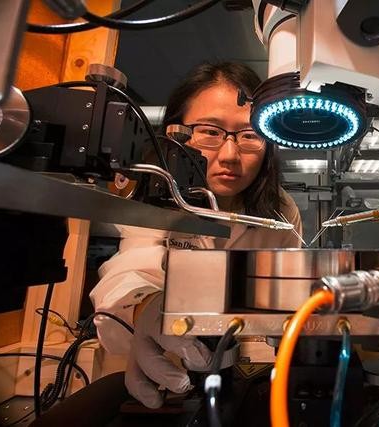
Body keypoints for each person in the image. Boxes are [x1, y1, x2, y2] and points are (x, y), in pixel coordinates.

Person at [89, 62, 303, 409]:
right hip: (173, 368)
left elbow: (284, 294)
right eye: (210, 132)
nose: (230, 155)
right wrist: (144, 309)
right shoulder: (156, 197)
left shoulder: (281, 210)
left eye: (250, 135)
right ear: (176, 133)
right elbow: (132, 269)